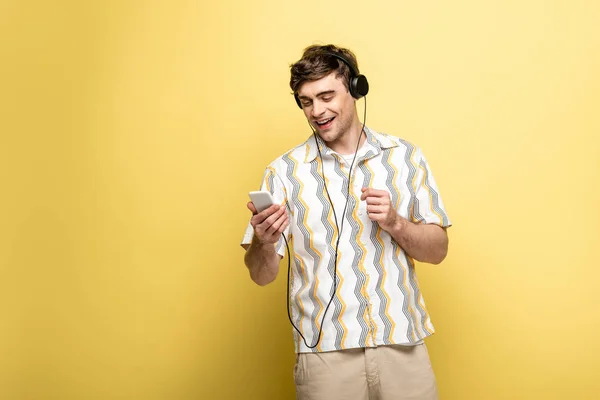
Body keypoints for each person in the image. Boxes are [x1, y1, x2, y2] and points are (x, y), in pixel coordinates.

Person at [241, 44, 451, 400]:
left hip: (402, 345)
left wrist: (397, 223)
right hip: (324, 355)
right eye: (306, 101)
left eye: (326, 96)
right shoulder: (282, 172)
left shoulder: (405, 157)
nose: (317, 111)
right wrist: (263, 241)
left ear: (355, 90)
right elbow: (262, 275)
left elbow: (438, 251)